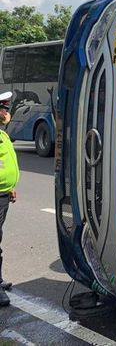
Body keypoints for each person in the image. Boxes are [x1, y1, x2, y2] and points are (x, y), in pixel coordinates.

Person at [0, 91, 19, 307]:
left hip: (4, 195)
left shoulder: (3, 135)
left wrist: (11, 186)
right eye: (4, 109)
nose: (7, 113)